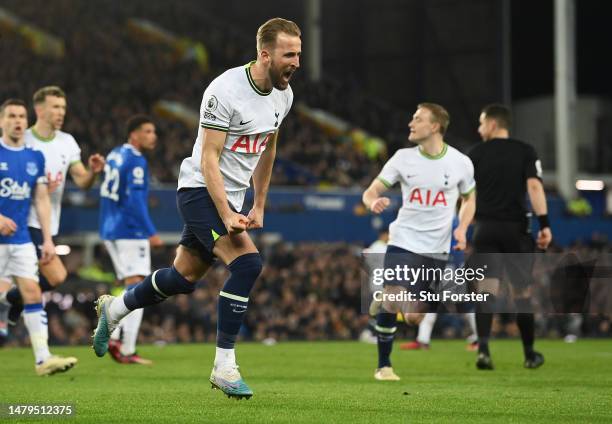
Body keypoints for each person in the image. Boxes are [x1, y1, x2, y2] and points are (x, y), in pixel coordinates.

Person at [91, 17, 301, 399]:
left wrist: (259, 203)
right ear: (265, 54)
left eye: (299, 54)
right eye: (290, 54)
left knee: (182, 278)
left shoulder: (283, 96)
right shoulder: (225, 90)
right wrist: (224, 213)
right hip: (200, 191)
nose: (297, 62)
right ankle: (224, 366)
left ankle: (115, 309)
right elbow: (208, 158)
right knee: (248, 264)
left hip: (234, 198)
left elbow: (269, 146)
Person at [362, 103, 476, 381]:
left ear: (435, 126)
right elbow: (371, 191)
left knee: (414, 318)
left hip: (438, 249)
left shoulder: (461, 162)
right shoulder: (402, 158)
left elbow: (469, 198)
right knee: (393, 297)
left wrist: (462, 228)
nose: (411, 123)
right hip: (403, 241)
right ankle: (384, 366)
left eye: (418, 119)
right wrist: (373, 201)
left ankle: (390, 300)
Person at [0, 86, 105, 333]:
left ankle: (13, 302)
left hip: (49, 222)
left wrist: (92, 172)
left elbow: (81, 181)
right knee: (55, 275)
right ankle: (14, 307)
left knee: (53, 277)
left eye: (63, 108)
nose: (61, 113)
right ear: (39, 110)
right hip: (24, 221)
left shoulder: (67, 142)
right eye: (55, 107)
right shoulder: (21, 138)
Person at [468, 103, 552, 370]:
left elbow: (467, 195)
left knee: (485, 293)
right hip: (515, 230)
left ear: (493, 124)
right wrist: (545, 224)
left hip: (485, 229)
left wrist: (462, 227)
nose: (479, 129)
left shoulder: (476, 154)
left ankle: (483, 351)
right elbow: (535, 187)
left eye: (482, 123)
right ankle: (529, 354)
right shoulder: (525, 151)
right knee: (522, 294)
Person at [0, 98, 77, 375]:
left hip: (20, 238)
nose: (18, 121)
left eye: (21, 116)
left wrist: (47, 240)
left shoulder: (35, 157)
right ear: (2, 121)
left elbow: (42, 200)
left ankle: (43, 359)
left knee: (32, 292)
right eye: (11, 116)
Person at [99, 115, 162, 365]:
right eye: (147, 131)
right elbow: (135, 201)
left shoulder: (115, 154)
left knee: (130, 284)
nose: (152, 136)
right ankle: (125, 347)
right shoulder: (136, 161)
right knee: (140, 288)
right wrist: (150, 230)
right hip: (129, 230)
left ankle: (116, 336)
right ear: (134, 135)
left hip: (109, 228)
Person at [400, 216, 478, 351]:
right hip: (443, 262)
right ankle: (423, 340)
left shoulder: (447, 218)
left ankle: (479, 340)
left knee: (462, 304)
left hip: (448, 263)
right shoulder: (447, 217)